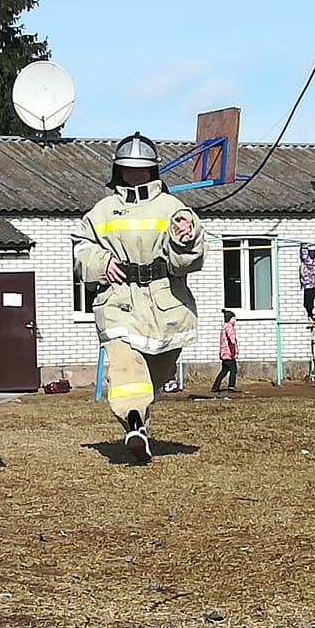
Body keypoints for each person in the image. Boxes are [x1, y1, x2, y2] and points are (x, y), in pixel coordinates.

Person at [73, 131, 205, 464]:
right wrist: (102, 263)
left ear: (152, 171)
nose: (134, 175)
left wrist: (185, 241)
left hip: (164, 305)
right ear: (118, 171)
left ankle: (139, 420)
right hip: (119, 301)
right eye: (128, 169)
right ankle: (133, 421)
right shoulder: (102, 211)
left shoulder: (174, 208)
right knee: (124, 365)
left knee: (154, 377)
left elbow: (189, 262)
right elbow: (81, 249)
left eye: (141, 169)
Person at [212, 309, 239, 393]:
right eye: (233, 318)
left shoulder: (224, 327)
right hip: (228, 353)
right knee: (233, 370)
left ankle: (215, 386)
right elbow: (231, 337)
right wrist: (234, 343)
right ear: (229, 319)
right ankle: (231, 386)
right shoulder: (229, 327)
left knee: (224, 371)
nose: (235, 320)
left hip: (224, 353)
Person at [299, 244, 315, 318]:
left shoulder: (308, 263)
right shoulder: (303, 264)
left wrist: (303, 246)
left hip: (311, 287)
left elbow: (304, 255)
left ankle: (313, 316)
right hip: (308, 287)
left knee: (308, 304)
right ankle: (311, 316)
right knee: (306, 304)